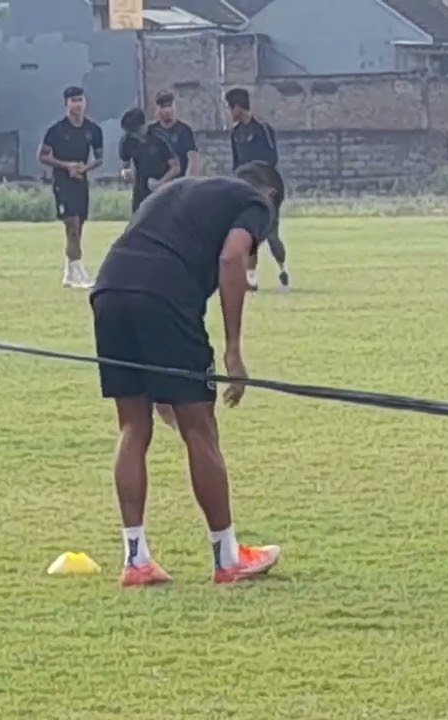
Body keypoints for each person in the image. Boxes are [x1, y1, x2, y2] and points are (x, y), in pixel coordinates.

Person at [88, 161, 286, 587]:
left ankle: (136, 560)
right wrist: (233, 351)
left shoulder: (181, 190)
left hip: (109, 291)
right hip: (164, 297)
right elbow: (232, 257)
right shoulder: (256, 201)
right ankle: (227, 559)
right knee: (201, 430)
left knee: (132, 426)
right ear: (271, 198)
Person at [226, 87, 291, 291]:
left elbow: (272, 159)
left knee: (271, 234)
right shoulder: (235, 133)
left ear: (238, 107)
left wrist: (265, 185)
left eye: (229, 107)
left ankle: (282, 268)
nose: (229, 112)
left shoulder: (263, 129)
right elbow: (236, 165)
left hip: (266, 186)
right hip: (245, 187)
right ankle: (250, 278)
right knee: (248, 232)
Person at [39, 86, 103, 289]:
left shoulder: (93, 130)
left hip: (81, 183)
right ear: (66, 104)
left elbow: (100, 158)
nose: (78, 105)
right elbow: (43, 155)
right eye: (73, 101)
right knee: (72, 226)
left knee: (79, 227)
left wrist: (85, 168)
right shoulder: (56, 131)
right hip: (63, 183)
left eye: (80, 100)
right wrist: (67, 166)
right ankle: (81, 274)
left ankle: (69, 273)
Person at [117, 107, 180, 214]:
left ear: (143, 125)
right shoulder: (126, 141)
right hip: (141, 189)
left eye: (136, 131)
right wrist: (125, 173)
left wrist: (159, 183)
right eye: (131, 132)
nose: (134, 135)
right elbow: (125, 165)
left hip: (162, 188)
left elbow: (176, 167)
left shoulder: (160, 138)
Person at [150, 90, 201, 177]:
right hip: (157, 185)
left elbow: (193, 159)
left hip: (180, 184)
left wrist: (189, 182)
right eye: (162, 107)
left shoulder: (185, 131)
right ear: (157, 109)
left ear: (175, 106)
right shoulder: (151, 131)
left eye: (169, 106)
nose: (167, 110)